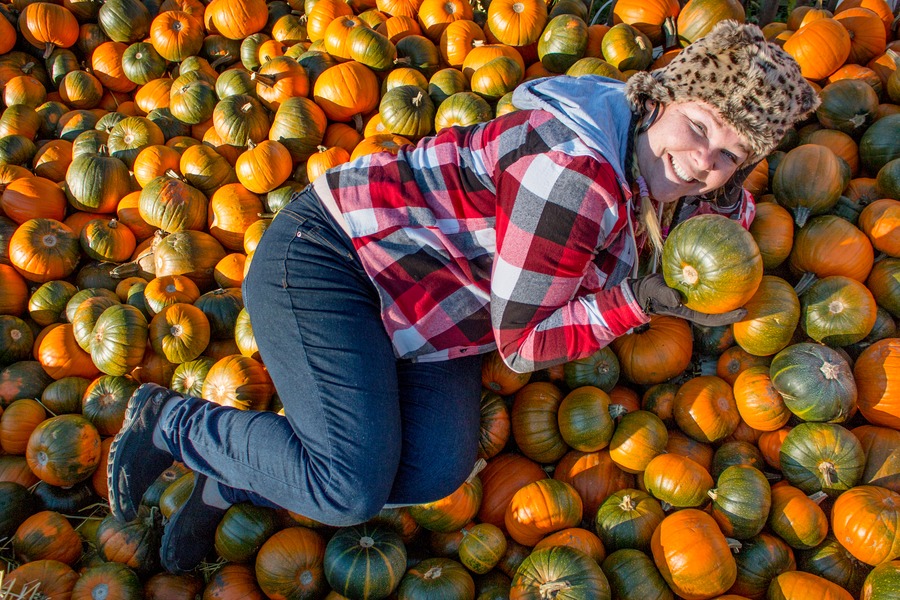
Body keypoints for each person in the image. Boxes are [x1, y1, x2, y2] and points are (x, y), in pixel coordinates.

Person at [107, 19, 820, 572]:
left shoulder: (669, 158)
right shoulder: (572, 177)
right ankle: (172, 422)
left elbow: (721, 208)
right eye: (697, 128)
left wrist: (724, 225)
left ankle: (232, 477)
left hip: (433, 304)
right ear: (663, 95)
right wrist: (640, 301)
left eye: (728, 155)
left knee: (435, 468)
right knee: (347, 490)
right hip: (335, 261)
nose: (699, 160)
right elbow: (524, 346)